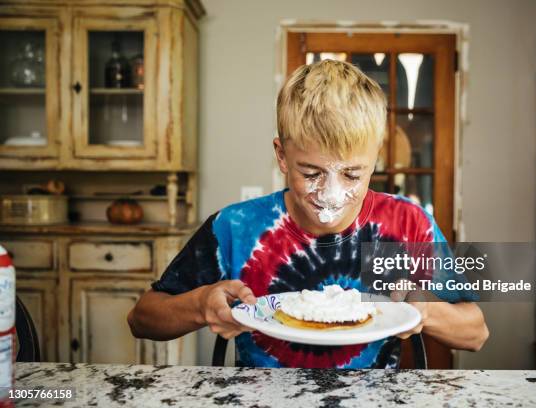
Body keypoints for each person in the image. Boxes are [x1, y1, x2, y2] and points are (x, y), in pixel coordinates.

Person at [127, 60, 489, 368]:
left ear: (375, 159)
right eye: (311, 173)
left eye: (352, 174)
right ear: (282, 156)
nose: (331, 194)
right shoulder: (235, 228)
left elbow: (475, 333)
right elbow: (142, 319)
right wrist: (200, 304)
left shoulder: (407, 224)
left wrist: (424, 311)